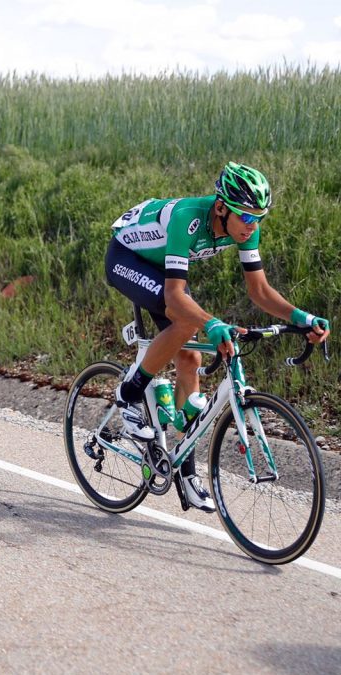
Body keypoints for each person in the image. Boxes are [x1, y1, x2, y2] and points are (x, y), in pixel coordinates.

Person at [106, 161, 331, 512]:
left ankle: (186, 471)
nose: (252, 225)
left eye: (259, 218)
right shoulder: (188, 217)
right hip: (128, 257)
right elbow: (175, 297)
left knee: (190, 358)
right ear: (222, 206)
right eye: (246, 216)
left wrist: (301, 317)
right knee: (187, 323)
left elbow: (259, 290)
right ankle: (128, 393)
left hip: (161, 265)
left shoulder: (245, 225)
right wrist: (212, 324)